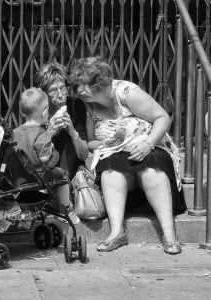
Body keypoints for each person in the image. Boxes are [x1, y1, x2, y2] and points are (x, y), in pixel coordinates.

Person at [67, 57, 187, 254]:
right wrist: (107, 142)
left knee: (151, 170)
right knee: (111, 171)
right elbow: (90, 143)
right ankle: (116, 233)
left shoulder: (127, 93)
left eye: (85, 85)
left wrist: (148, 144)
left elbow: (162, 117)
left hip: (150, 146)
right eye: (78, 86)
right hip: (115, 154)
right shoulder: (88, 104)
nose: (80, 90)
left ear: (101, 82)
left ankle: (169, 234)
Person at [12, 87, 80, 224]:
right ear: (44, 112)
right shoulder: (42, 133)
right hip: (36, 176)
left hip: (17, 177)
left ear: (21, 112)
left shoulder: (15, 132)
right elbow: (44, 158)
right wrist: (51, 148)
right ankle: (65, 209)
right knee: (61, 174)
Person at [34, 61, 89, 179]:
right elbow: (33, 154)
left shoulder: (75, 105)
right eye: (54, 90)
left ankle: (67, 183)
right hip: (44, 170)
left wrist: (72, 131)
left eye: (63, 88)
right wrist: (49, 132)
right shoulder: (37, 110)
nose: (60, 95)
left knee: (67, 139)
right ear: (44, 93)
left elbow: (84, 155)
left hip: (74, 169)